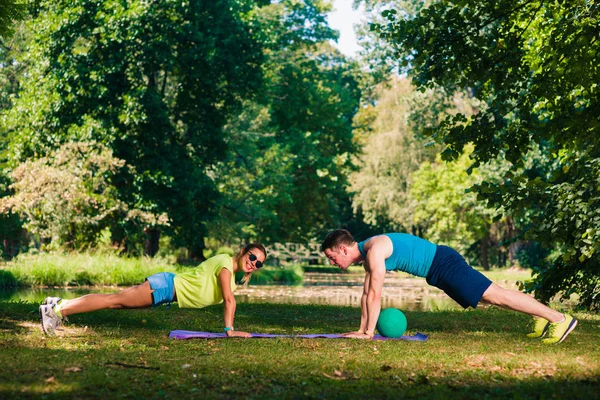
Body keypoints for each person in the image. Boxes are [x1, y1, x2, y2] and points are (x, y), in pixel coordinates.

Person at [320, 229, 577, 344]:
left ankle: (559, 318)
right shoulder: (368, 252)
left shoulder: (374, 252)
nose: (333, 262)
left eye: (332, 257)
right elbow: (367, 295)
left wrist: (367, 334)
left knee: (495, 295)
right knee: (488, 297)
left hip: (443, 264)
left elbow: (376, 295)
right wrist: (362, 329)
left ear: (343, 248)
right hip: (438, 269)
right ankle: (539, 315)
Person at [39, 243, 267, 337]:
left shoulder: (233, 276)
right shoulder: (226, 265)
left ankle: (57, 303)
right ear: (244, 251)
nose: (254, 263)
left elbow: (227, 295)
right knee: (113, 300)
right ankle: (57, 310)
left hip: (166, 292)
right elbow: (229, 300)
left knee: (115, 301)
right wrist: (230, 330)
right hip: (165, 286)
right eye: (253, 257)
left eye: (259, 263)